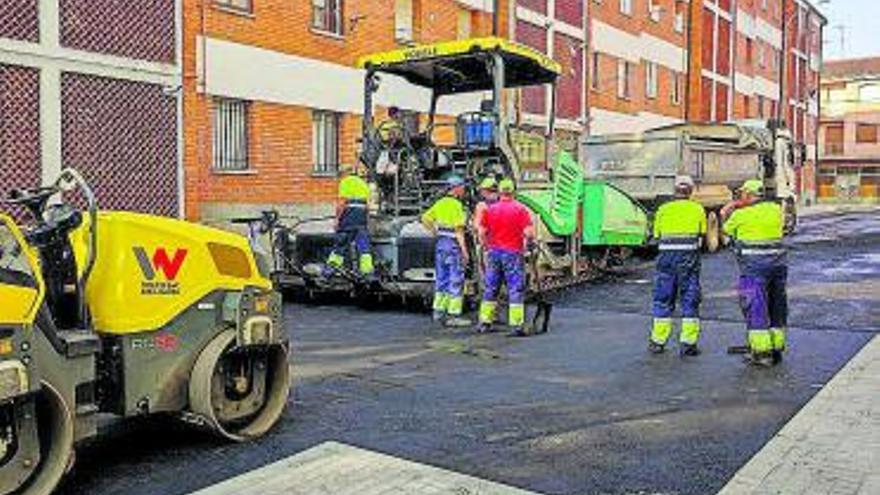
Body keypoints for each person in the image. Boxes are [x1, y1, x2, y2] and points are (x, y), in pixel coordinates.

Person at [721, 179, 788, 367]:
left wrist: (727, 211)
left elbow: (726, 230)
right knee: (777, 306)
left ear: (748, 195)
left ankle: (761, 352)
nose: (740, 196)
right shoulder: (775, 210)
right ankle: (776, 347)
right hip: (778, 267)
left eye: (742, 194)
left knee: (754, 306)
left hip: (753, 269)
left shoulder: (741, 215)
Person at [649, 175, 707, 357]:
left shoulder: (663, 209)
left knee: (663, 298)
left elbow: (656, 235)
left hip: (665, 260)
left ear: (674, 191)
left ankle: (657, 342)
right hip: (688, 260)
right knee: (690, 299)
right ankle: (688, 344)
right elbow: (701, 234)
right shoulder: (698, 209)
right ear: (690, 191)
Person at [478, 178, 536, 336]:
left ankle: (484, 322)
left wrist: (486, 245)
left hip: (494, 253)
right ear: (513, 191)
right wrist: (529, 242)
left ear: (500, 192)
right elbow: (529, 232)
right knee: (515, 288)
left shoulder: (490, 210)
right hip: (512, 253)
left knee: (491, 287)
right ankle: (516, 325)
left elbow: (482, 232)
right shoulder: (520, 209)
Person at [422, 176, 471, 327]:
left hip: (441, 244)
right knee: (455, 279)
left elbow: (425, 218)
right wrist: (465, 252)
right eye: (462, 187)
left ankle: (438, 312)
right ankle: (453, 315)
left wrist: (434, 232)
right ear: (456, 188)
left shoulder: (440, 203)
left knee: (441, 279)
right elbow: (459, 230)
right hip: (453, 246)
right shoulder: (457, 205)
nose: (464, 190)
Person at [326, 166, 374, 278]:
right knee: (363, 245)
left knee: (341, 243)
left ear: (343, 174)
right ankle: (367, 271)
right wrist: (366, 221)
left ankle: (331, 269)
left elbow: (342, 203)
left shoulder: (345, 182)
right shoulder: (363, 183)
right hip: (361, 218)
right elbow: (367, 205)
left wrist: (337, 219)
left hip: (349, 216)